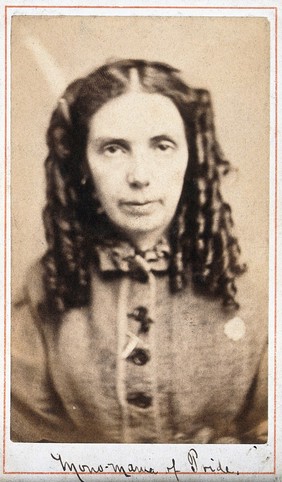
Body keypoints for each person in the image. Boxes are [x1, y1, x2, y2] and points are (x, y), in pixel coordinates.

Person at [11, 59, 267, 444]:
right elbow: (25, 444)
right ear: (83, 164)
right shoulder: (44, 288)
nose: (140, 176)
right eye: (113, 149)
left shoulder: (255, 290)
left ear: (191, 157)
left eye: (162, 146)